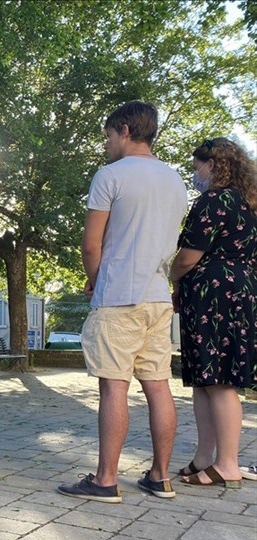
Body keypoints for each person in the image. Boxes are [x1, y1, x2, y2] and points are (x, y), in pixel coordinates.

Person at [58, 100, 188, 503]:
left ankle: (105, 480)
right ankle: (160, 476)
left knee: (114, 388)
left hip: (118, 297)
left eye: (109, 136)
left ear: (126, 130)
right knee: (158, 386)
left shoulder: (110, 176)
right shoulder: (175, 180)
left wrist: (96, 282)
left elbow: (91, 245)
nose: (107, 145)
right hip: (156, 296)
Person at [171, 137, 257, 489]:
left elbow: (189, 255)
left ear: (213, 165)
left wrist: (171, 276)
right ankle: (205, 457)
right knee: (207, 381)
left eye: (197, 168)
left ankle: (227, 463)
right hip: (237, 293)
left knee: (218, 381)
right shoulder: (250, 204)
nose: (197, 174)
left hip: (213, 296)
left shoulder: (214, 201)